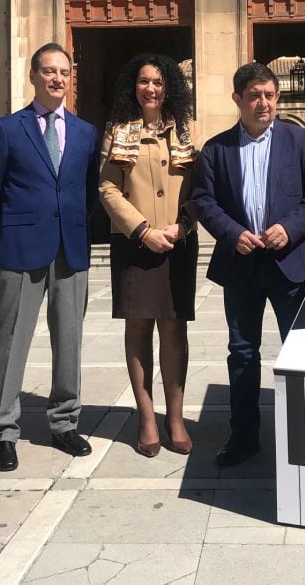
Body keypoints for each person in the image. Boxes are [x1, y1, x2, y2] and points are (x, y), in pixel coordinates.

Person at [191, 62, 305, 467]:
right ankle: (244, 437)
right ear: (238, 99)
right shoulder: (217, 150)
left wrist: (290, 228)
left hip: (291, 265)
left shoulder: (299, 141)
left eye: (270, 95)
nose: (264, 102)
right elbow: (204, 201)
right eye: (255, 95)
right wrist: (232, 233)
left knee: (301, 352)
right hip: (241, 266)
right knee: (242, 353)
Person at [0, 43, 101, 472]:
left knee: (70, 341)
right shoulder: (8, 129)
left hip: (71, 248)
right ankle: (3, 432)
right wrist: (13, 230)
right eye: (49, 71)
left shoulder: (86, 133)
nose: (57, 79)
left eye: (64, 72)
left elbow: (86, 192)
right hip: (20, 251)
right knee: (11, 342)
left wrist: (72, 225)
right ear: (33, 77)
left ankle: (65, 422)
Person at [99, 54, 197, 458]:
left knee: (174, 331)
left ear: (169, 86)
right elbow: (107, 189)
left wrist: (183, 225)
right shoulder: (117, 133)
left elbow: (201, 190)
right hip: (134, 244)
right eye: (144, 81)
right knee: (138, 329)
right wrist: (142, 230)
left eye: (158, 82)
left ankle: (175, 417)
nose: (151, 89)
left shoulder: (187, 133)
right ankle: (145, 416)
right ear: (133, 87)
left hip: (177, 243)